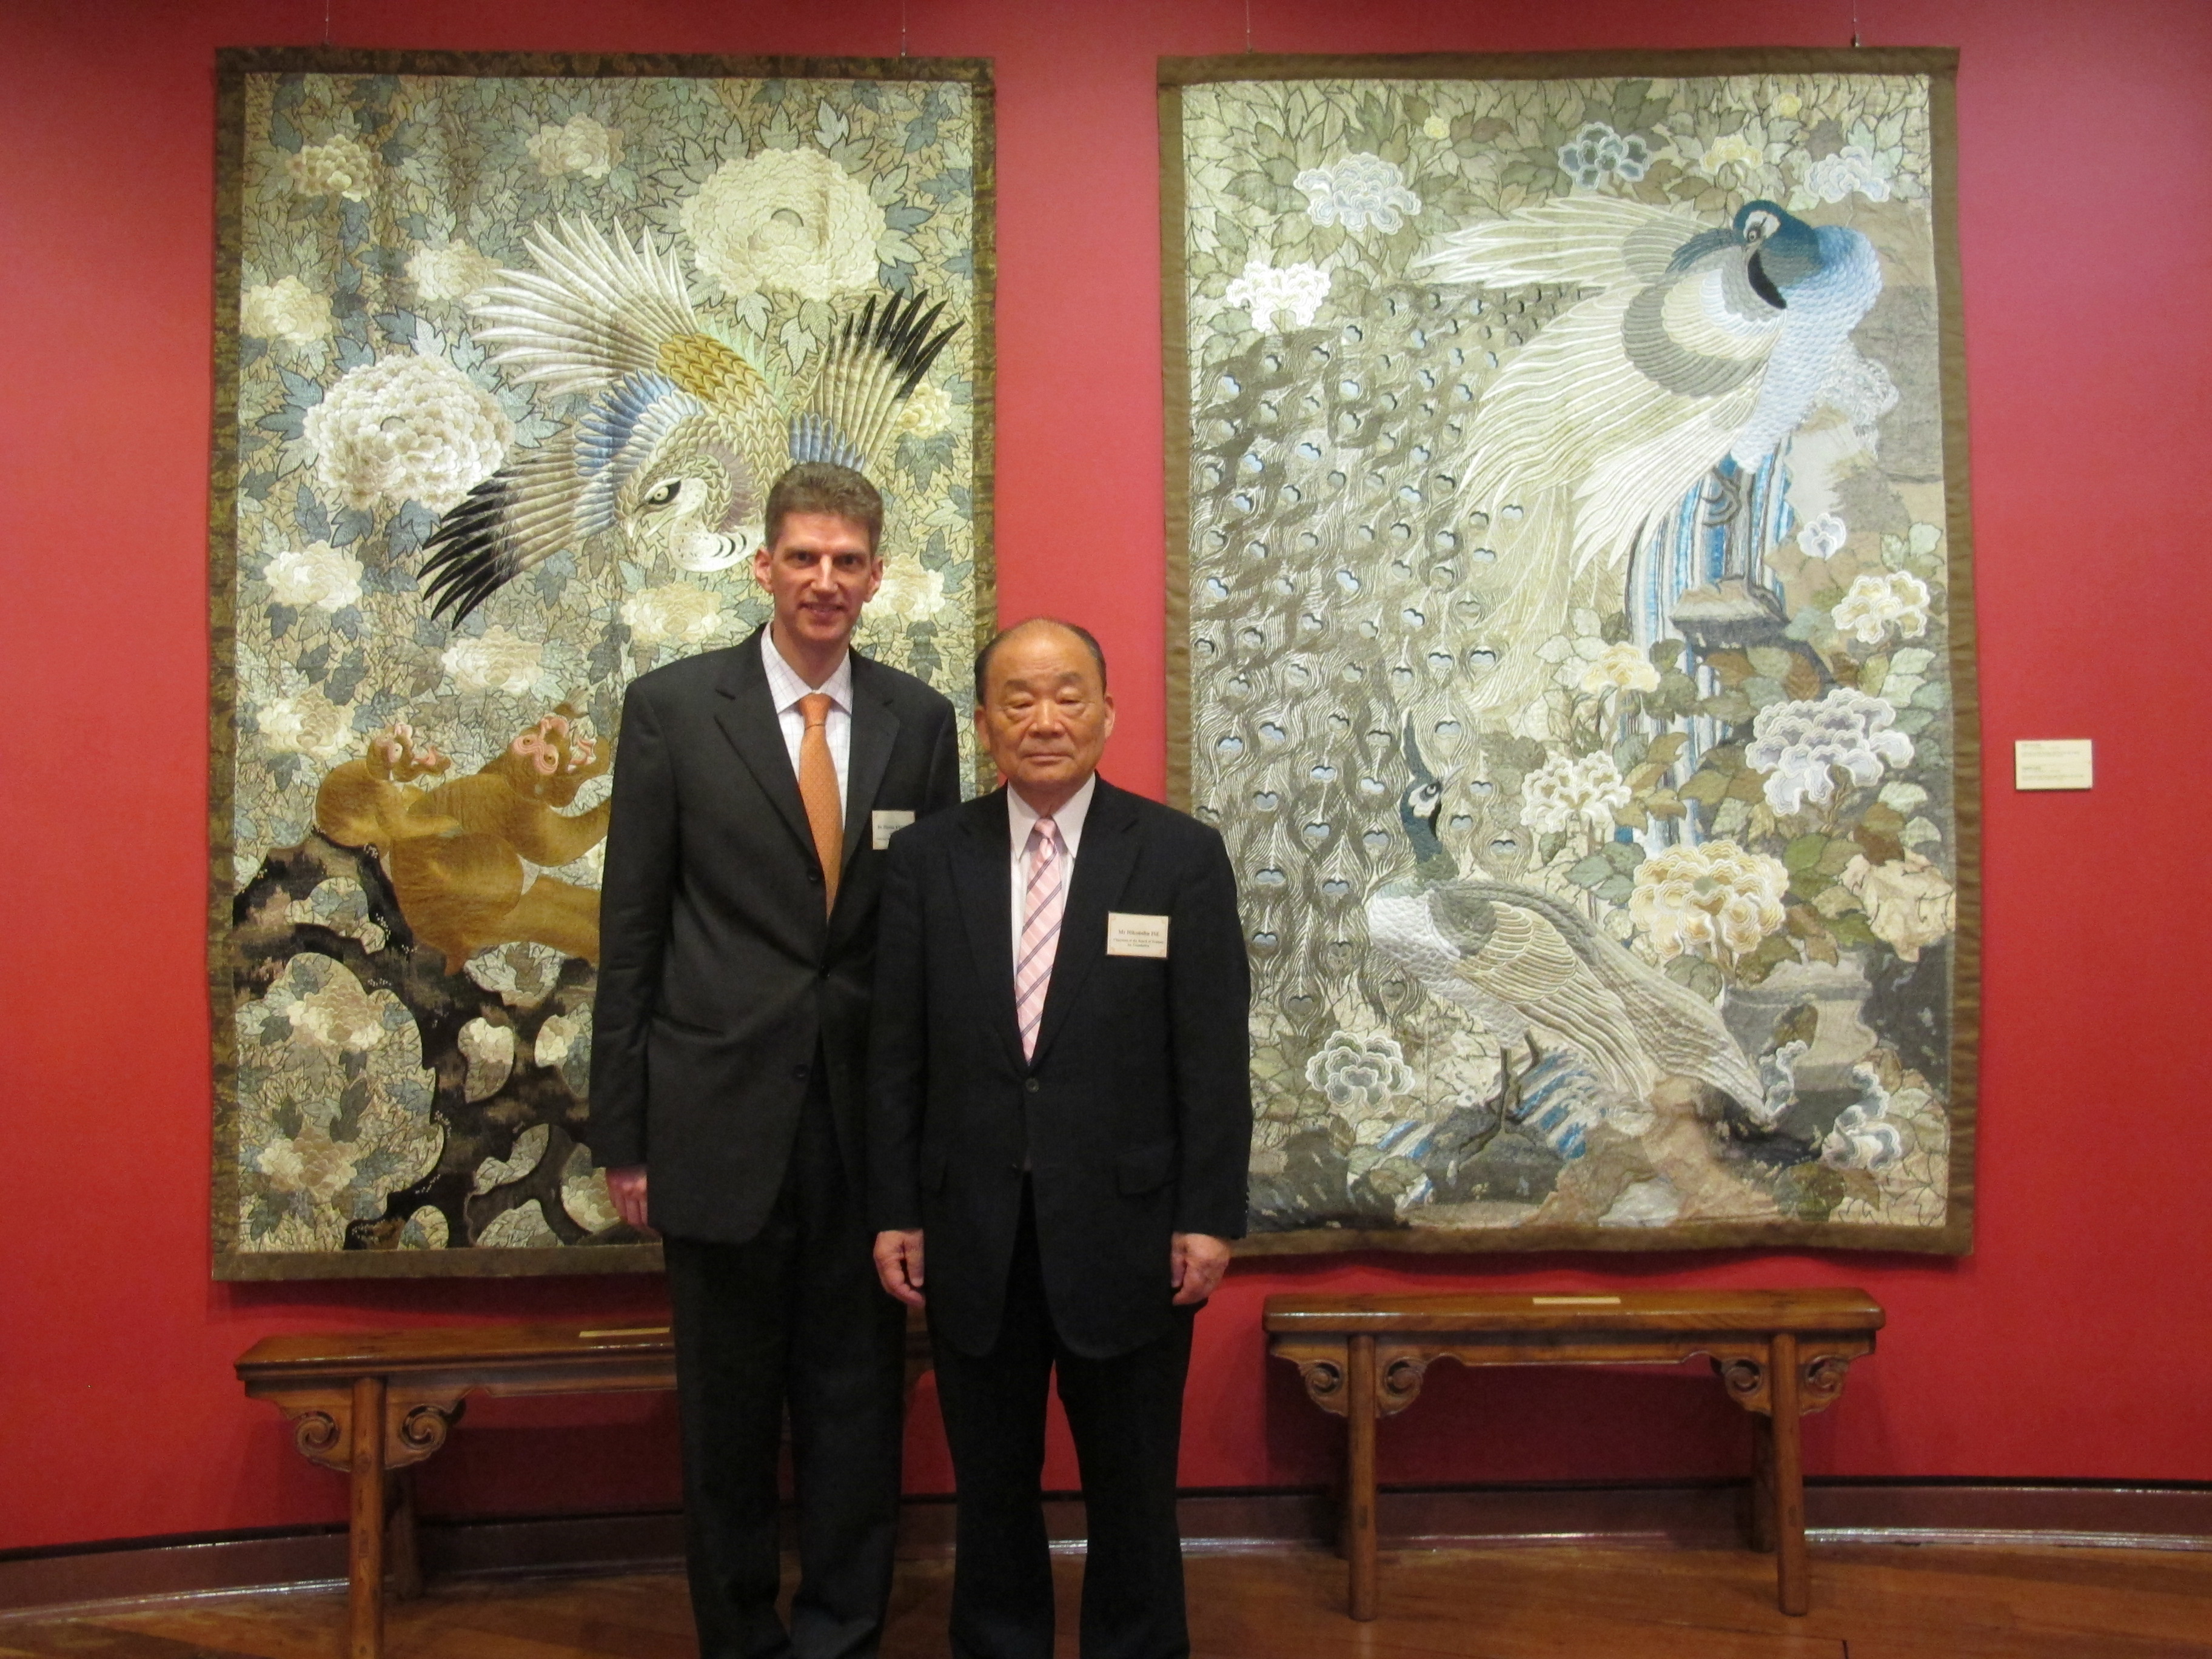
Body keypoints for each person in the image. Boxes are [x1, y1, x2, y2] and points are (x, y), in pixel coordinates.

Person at [589, 461, 964, 1659]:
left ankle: (842, 1631)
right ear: (763, 566)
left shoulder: (921, 723)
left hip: (863, 1125)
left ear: (877, 577)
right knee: (727, 1415)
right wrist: (624, 1135)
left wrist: (930, 1138)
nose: (824, 580)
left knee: (858, 1405)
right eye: (803, 557)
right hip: (714, 1117)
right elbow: (630, 931)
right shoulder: (671, 709)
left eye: (847, 561)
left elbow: (931, 943)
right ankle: (739, 1637)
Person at [868, 617, 1253, 1659]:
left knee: (1134, 1483)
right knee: (991, 1484)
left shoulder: (1177, 856)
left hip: (1130, 1228)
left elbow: (1212, 1055)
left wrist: (1209, 1217)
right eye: (1020, 699)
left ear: (1108, 712)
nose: (1046, 719)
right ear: (984, 723)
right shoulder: (927, 860)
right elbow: (895, 1051)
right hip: (971, 1227)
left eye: (1069, 695)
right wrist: (896, 1208)